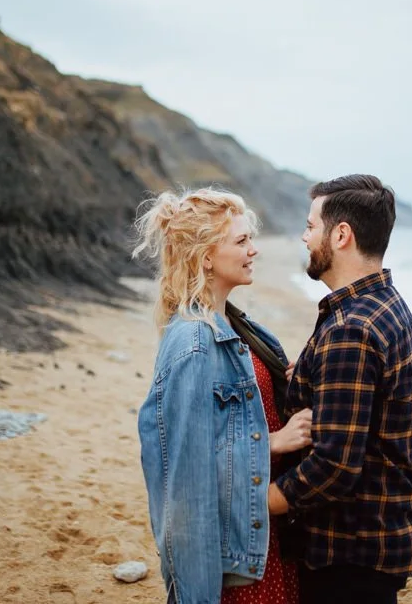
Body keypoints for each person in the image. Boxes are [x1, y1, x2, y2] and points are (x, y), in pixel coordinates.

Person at [134, 187, 313, 604]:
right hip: (236, 558)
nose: (254, 251)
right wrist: (274, 441)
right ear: (207, 257)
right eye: (241, 241)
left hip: (261, 540)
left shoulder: (236, 329)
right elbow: (186, 479)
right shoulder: (194, 342)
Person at [267, 174, 412, 604]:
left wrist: (256, 504)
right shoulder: (384, 304)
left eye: (310, 226)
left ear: (341, 235)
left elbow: (334, 467)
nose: (304, 238)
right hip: (379, 538)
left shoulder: (351, 329)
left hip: (349, 552)